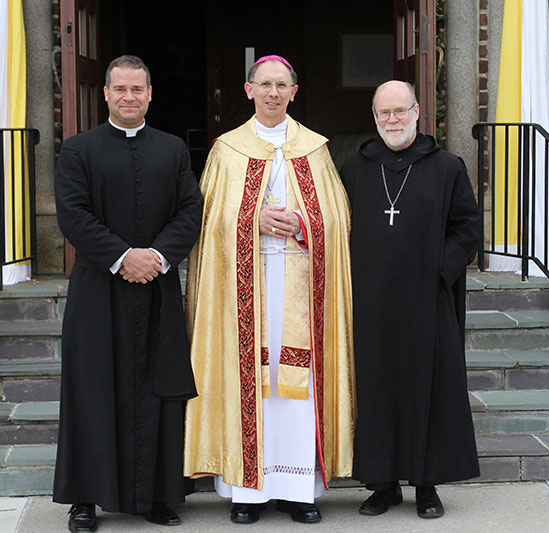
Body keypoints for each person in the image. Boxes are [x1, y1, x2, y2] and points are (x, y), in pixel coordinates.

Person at [183, 55, 354, 525]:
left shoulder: (314, 148)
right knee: (249, 380)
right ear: (248, 89)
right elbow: (207, 220)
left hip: (300, 283)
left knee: (293, 385)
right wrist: (250, 221)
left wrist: (303, 222)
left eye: (282, 85)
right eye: (265, 85)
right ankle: (246, 491)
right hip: (245, 286)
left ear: (294, 92)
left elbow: (338, 219)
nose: (273, 93)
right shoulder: (227, 149)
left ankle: (299, 489)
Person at [53, 55, 203, 532]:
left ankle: (157, 495)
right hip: (99, 290)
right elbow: (73, 216)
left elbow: (189, 212)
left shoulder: (173, 149)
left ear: (150, 93)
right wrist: (123, 258)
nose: (129, 97)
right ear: (106, 94)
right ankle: (85, 499)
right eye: (120, 89)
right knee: (92, 391)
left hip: (156, 289)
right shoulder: (78, 149)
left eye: (137, 89)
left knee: (159, 390)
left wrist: (157, 257)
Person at [339, 80, 481, 519]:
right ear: (374, 117)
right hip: (371, 301)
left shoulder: (446, 166)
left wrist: (438, 271)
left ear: (418, 111)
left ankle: (426, 486)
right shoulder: (354, 167)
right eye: (384, 113)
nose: (393, 121)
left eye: (400, 111)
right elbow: (333, 225)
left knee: (429, 389)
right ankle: (381, 485)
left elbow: (467, 229)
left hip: (427, 303)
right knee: (376, 389)